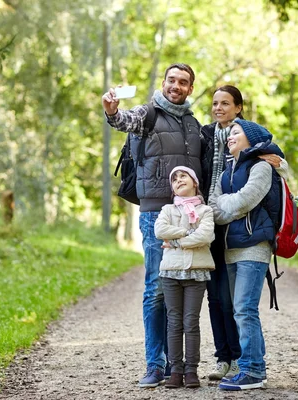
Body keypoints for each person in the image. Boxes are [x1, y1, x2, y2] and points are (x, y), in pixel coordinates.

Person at [101, 63, 203, 388]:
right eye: (172, 80)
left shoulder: (193, 124)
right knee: (157, 288)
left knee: (182, 288)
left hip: (190, 216)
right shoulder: (149, 114)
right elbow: (123, 120)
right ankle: (154, 364)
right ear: (164, 82)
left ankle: (179, 366)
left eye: (183, 82)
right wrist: (112, 111)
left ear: (190, 88)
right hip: (156, 214)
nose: (176, 86)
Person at [200, 86, 289, 381]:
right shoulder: (227, 171)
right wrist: (225, 205)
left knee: (244, 309)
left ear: (249, 138)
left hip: (253, 245)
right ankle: (254, 368)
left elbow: (241, 202)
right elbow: (215, 204)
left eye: (236, 134)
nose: (230, 138)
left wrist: (225, 205)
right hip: (230, 247)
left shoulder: (261, 167)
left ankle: (252, 371)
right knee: (241, 309)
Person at [154, 166, 215, 389]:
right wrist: (190, 233)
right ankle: (175, 370)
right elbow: (160, 230)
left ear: (194, 182)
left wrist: (177, 241)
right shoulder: (168, 209)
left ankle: (191, 370)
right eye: (174, 179)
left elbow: (206, 235)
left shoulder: (205, 211)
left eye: (183, 176)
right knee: (174, 321)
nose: (178, 180)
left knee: (191, 322)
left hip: (196, 272)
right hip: (171, 272)